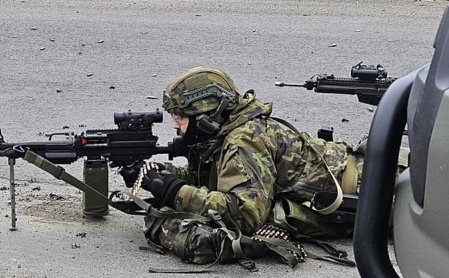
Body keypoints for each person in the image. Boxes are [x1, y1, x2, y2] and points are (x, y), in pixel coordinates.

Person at [120, 66, 364, 267]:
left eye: (180, 118)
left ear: (206, 118)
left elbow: (243, 215)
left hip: (377, 193)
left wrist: (175, 192)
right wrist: (160, 175)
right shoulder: (231, 129)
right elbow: (220, 178)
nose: (176, 127)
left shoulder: (243, 141)